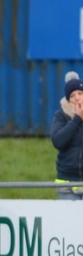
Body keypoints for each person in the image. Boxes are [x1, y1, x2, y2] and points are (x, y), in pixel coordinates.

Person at [51, 72, 83, 200]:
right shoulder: (61, 116)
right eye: (72, 95)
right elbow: (58, 141)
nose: (76, 98)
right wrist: (77, 119)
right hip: (66, 184)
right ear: (68, 100)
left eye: (80, 93)